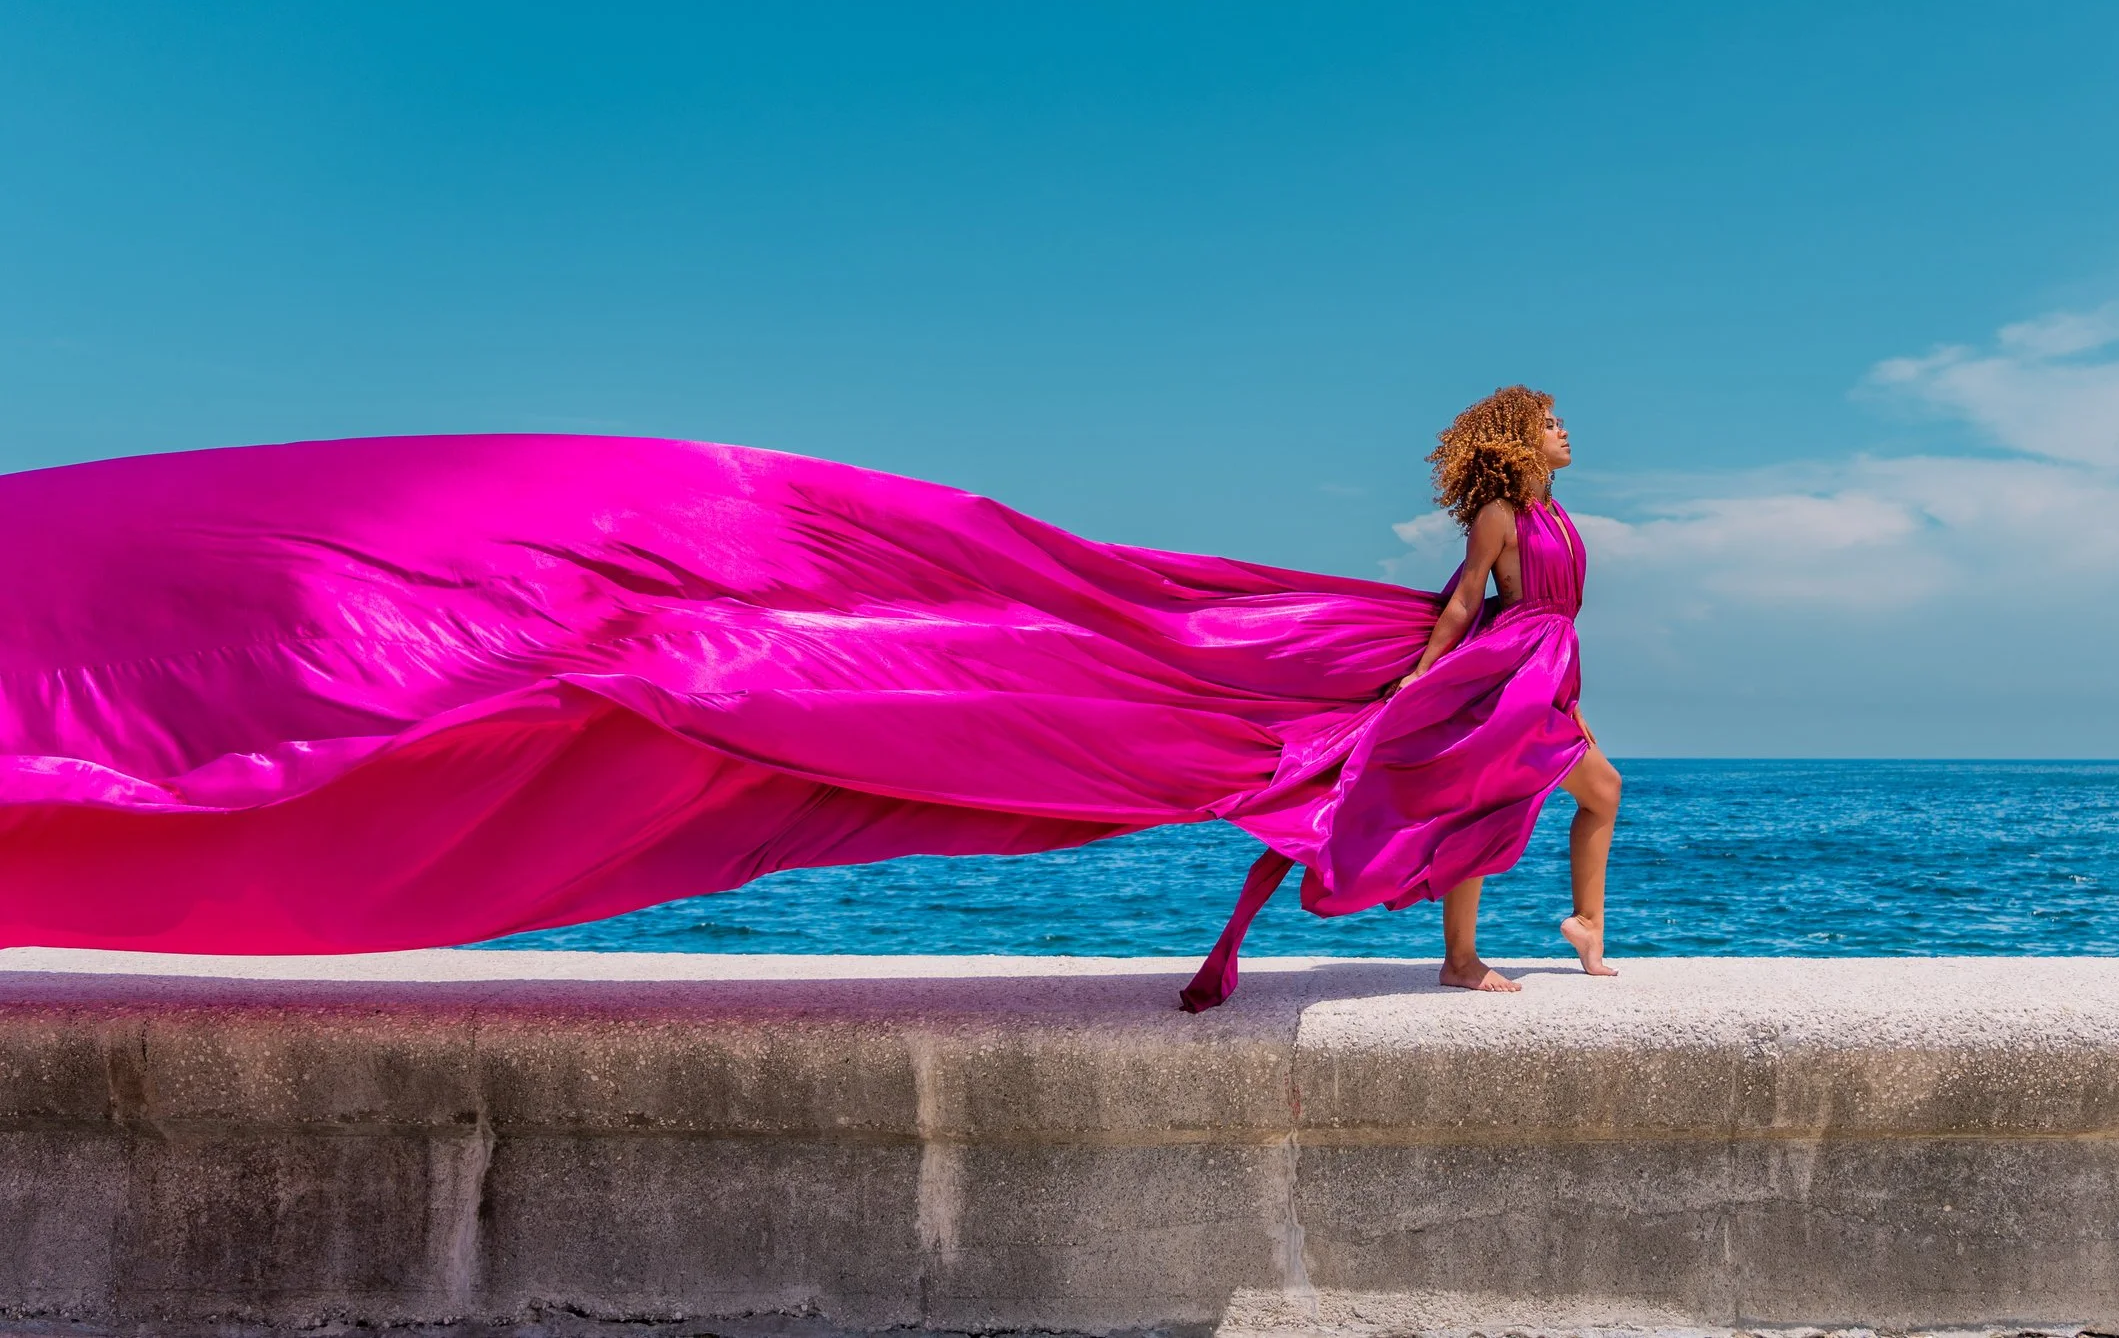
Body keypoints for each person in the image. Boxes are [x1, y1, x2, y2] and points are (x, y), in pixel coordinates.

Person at [0, 391, 1612, 1009]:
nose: (1554, 447)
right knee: (1524, 792)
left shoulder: (1542, 518)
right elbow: (1462, 601)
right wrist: (1407, 673)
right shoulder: (1497, 524)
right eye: (1543, 435)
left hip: (1525, 669)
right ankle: (1503, 942)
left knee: (1560, 792)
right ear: (1514, 453)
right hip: (1483, 663)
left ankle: (1525, 934)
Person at [1399, 387, 1620, 990]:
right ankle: (1461, 958)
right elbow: (1468, 597)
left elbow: (1561, 618)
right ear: (1521, 440)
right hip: (1511, 670)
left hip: (1549, 670)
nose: (1563, 431)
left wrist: (1569, 702)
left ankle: (1587, 926)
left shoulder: (1554, 510)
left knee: (1601, 789)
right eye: (1549, 425)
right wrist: (1422, 673)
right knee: (1484, 803)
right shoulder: (1500, 512)